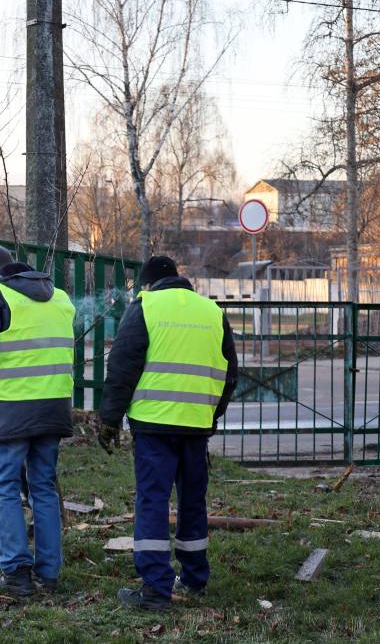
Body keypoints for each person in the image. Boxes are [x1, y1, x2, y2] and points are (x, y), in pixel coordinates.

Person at [97, 256, 239, 610]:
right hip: (196, 426)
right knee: (193, 502)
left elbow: (122, 367)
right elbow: (230, 374)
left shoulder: (145, 307)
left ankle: (156, 588)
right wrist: (211, 414)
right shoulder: (211, 312)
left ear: (147, 284)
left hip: (154, 426)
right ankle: (193, 578)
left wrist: (110, 420)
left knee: (153, 501)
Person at [0, 245, 75, 597]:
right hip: (54, 405)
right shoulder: (58, 296)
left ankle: (17, 574)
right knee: (43, 487)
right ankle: (48, 574)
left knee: (4, 488)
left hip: (10, 407)